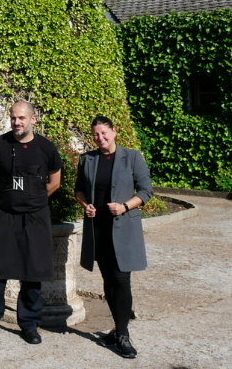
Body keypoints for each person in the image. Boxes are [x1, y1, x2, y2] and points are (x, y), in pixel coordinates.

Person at [0, 100, 62, 344]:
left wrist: (33, 199)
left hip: (36, 218)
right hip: (5, 217)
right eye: (13, 117)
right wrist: (6, 198)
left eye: (22, 118)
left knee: (32, 272)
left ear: (33, 120)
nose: (17, 122)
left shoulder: (47, 149)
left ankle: (29, 325)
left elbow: (55, 182)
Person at [75, 115, 153, 359]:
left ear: (114, 132)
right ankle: (117, 329)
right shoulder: (87, 159)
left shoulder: (132, 157)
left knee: (121, 279)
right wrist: (85, 204)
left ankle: (123, 334)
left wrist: (125, 206)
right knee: (108, 279)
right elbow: (79, 190)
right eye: (96, 134)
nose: (100, 138)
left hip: (123, 229)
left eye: (104, 133)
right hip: (97, 230)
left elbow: (146, 190)